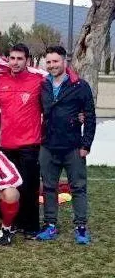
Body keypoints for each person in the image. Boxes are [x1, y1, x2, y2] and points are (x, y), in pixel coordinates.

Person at [36, 46, 96, 244]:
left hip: (73, 146)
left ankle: (80, 228)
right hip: (48, 145)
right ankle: (50, 225)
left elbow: (89, 117)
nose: (52, 65)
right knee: (49, 188)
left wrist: (86, 144)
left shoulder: (80, 85)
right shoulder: (43, 85)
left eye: (56, 61)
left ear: (65, 61)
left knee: (78, 188)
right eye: (49, 62)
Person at [0, 43, 45, 238]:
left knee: (30, 187)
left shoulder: (38, 79)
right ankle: (11, 223)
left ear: (28, 60)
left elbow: (65, 77)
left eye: (20, 59)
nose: (15, 62)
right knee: (10, 188)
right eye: (12, 58)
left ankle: (31, 226)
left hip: (30, 143)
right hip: (6, 145)